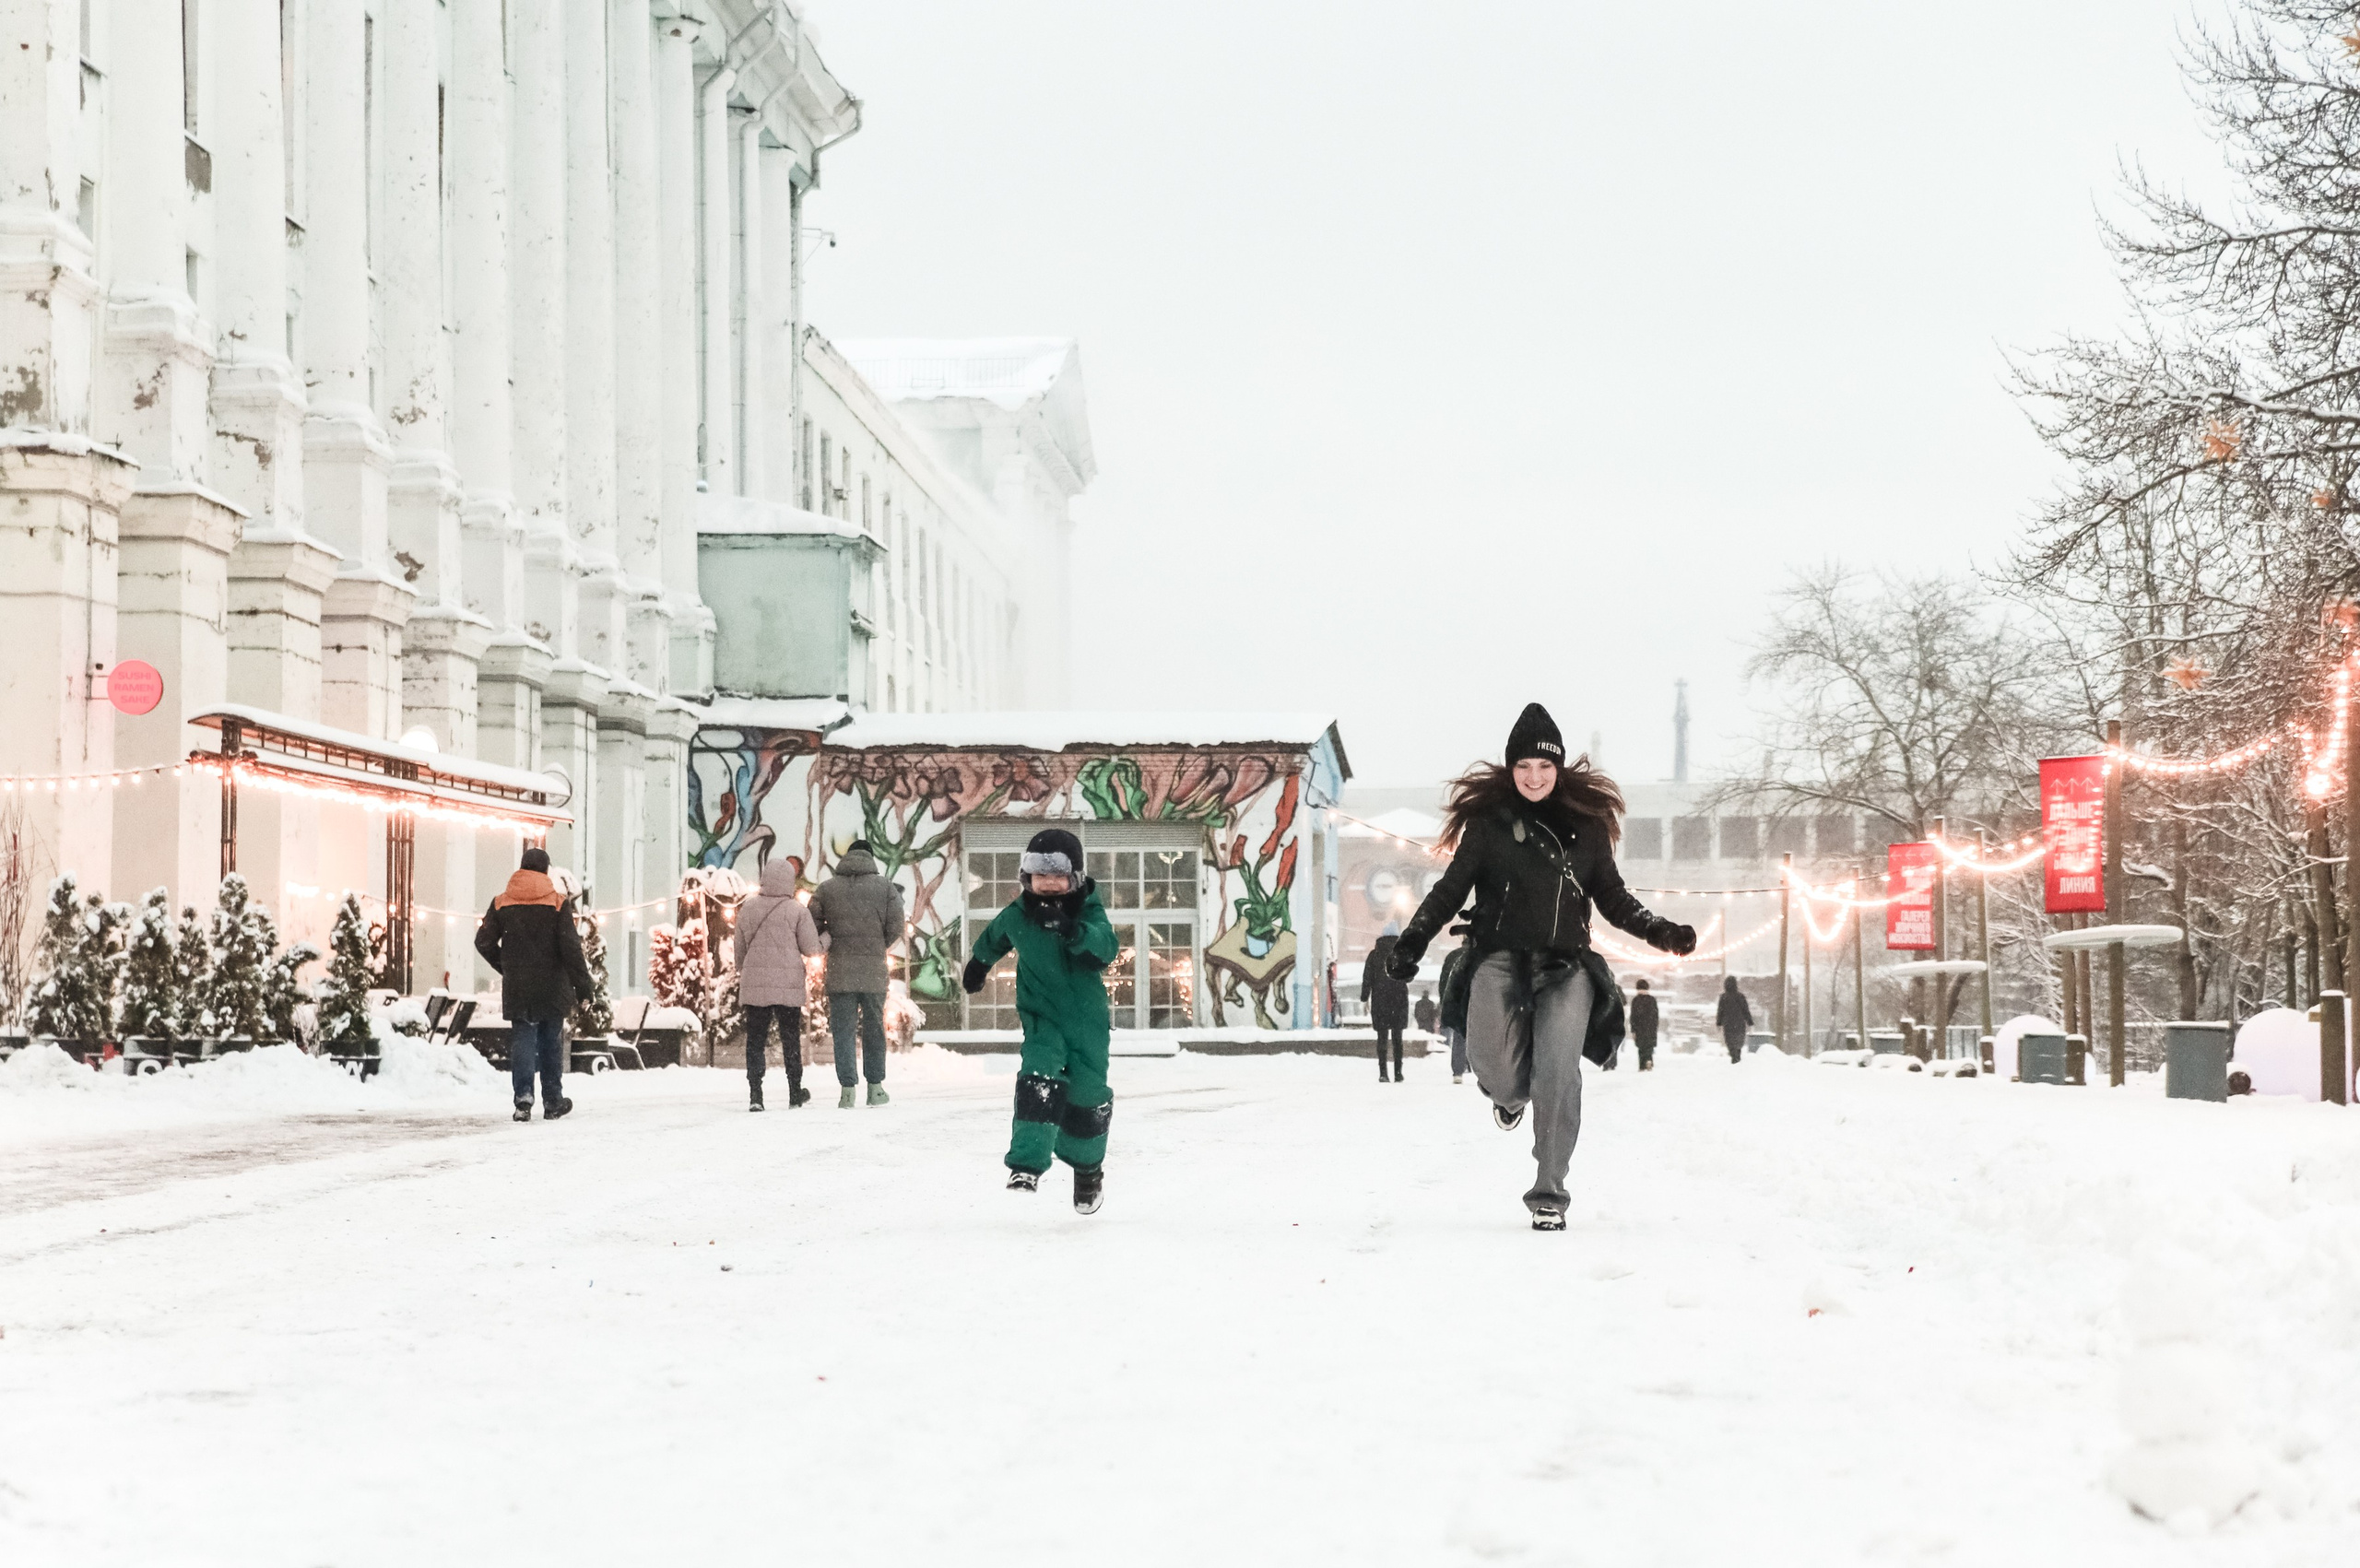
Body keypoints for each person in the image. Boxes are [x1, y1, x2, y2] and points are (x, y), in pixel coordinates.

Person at [1389, 703, 1695, 1231]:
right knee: (1495, 1067)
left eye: (1544, 767)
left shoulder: (1588, 828)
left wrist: (1659, 930)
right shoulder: (1488, 827)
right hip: (1497, 958)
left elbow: (1613, 897)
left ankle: (1549, 1191)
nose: (1534, 777)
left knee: (1557, 1071)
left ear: (1559, 769)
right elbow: (1448, 891)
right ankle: (1507, 1099)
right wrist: (1411, 943)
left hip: (1565, 966)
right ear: (1511, 769)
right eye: (1524, 767)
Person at [962, 828, 1120, 1213]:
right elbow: (994, 937)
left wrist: (1072, 930)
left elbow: (1105, 948)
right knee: (1040, 1076)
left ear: (1075, 877)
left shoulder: (1089, 910)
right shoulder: (1019, 914)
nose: (1048, 883)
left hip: (1087, 1021)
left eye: (1057, 874)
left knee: (1087, 1095)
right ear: (1027, 877)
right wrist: (978, 965)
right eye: (1039, 874)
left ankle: (1087, 1169)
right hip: (1041, 1016)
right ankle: (1026, 1166)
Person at [474, 846, 595, 1124]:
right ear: (545, 871)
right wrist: (584, 987)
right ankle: (553, 1101)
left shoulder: (501, 902)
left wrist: (505, 966)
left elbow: (483, 942)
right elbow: (571, 949)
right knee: (551, 1043)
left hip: (518, 986)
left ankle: (523, 1098)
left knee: (523, 1041)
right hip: (552, 985)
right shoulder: (557, 903)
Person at [812, 838, 905, 1108]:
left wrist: (832, 938)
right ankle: (875, 1089)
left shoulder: (827, 889)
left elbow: (813, 922)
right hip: (873, 972)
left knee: (843, 1031)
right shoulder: (885, 887)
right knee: (874, 1029)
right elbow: (896, 925)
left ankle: (847, 1091)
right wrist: (879, 944)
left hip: (839, 971)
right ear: (871, 857)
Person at [733, 855, 827, 1112]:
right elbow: (811, 949)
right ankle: (795, 1093)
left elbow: (739, 950)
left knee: (755, 1040)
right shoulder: (797, 910)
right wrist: (828, 936)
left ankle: (755, 1095)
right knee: (790, 1039)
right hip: (788, 985)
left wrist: (746, 970)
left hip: (755, 984)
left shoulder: (748, 908)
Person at [1362, 921, 1411, 1083]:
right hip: (1398, 1000)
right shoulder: (1402, 954)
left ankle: (1383, 1073)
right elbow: (1409, 976)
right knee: (1398, 1038)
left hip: (1380, 1000)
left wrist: (1364, 996)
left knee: (1382, 1037)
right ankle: (1398, 1072)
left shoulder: (1374, 955)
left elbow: (1367, 978)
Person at [1717, 975, 1753, 1063]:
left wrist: (1719, 1023)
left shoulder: (1723, 997)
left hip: (1728, 1024)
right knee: (1738, 1041)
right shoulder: (1741, 997)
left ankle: (1734, 1056)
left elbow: (1720, 1011)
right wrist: (1750, 1022)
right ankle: (1737, 1055)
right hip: (1739, 1024)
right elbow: (1746, 1010)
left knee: (1730, 1042)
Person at [1630, 976, 1660, 1071]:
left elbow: (1633, 1016)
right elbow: (1656, 1015)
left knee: (1641, 1047)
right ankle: (1649, 1060)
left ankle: (1642, 1065)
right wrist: (1655, 1026)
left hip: (1639, 1027)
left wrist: (1633, 1030)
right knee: (1649, 1046)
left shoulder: (1635, 1000)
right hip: (1650, 1027)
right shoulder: (1652, 1000)